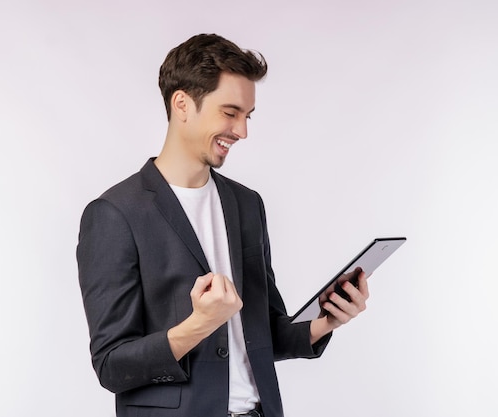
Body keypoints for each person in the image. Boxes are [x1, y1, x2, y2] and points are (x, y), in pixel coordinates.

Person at [77, 33, 369, 417]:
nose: (242, 131)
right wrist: (199, 324)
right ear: (182, 103)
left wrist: (323, 322)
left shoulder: (247, 204)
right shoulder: (115, 213)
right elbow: (113, 366)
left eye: (247, 117)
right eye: (230, 113)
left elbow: (260, 332)